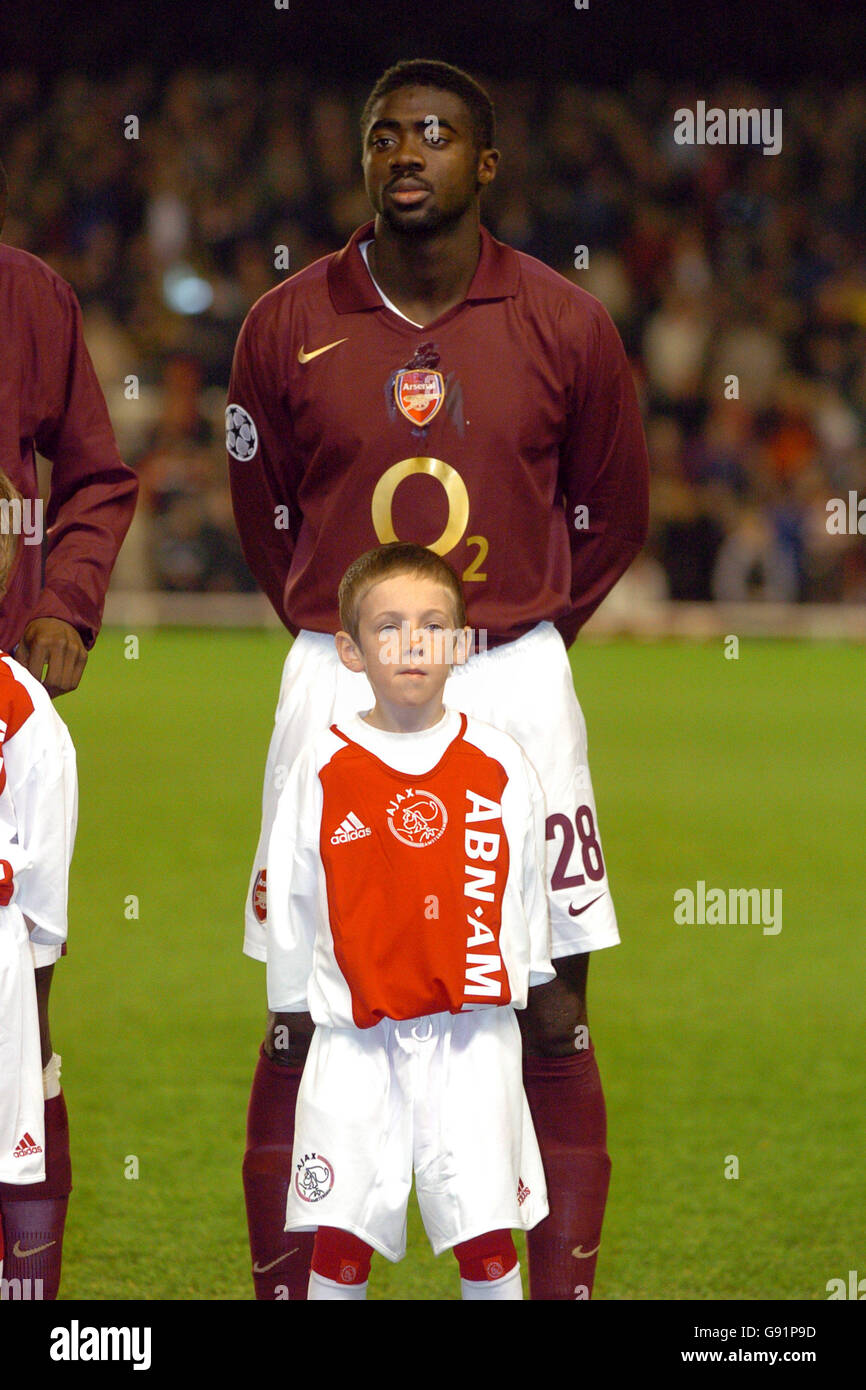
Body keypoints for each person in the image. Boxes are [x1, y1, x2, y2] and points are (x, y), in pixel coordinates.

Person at [228, 59, 650, 1301]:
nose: (404, 152)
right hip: (335, 680)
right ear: (360, 159)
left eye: (433, 134)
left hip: (513, 678)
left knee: (549, 999)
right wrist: (342, 639)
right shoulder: (282, 324)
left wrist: (523, 637)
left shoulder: (565, 321)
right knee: (303, 1007)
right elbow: (269, 523)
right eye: (382, 135)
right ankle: (288, 1287)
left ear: (485, 163)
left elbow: (610, 510)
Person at [266, 543, 554, 1300]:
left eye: (432, 625)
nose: (412, 642)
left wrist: (520, 978)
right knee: (343, 1229)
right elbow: (293, 893)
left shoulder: (499, 762)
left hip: (473, 1041)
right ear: (351, 652)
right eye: (387, 626)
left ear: (462, 646)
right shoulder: (322, 765)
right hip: (353, 1043)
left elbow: (526, 893)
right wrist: (290, 1001)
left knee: (487, 1232)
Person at [0, 158, 138, 1299]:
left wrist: (66, 601)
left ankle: (29, 1284)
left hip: (3, 712)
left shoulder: (32, 296)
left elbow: (96, 475)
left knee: (17, 1003)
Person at [0, 472, 77, 1297]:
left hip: (1, 970)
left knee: (11, 1137)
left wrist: (36, 1011)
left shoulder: (23, 713)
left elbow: (43, 889)